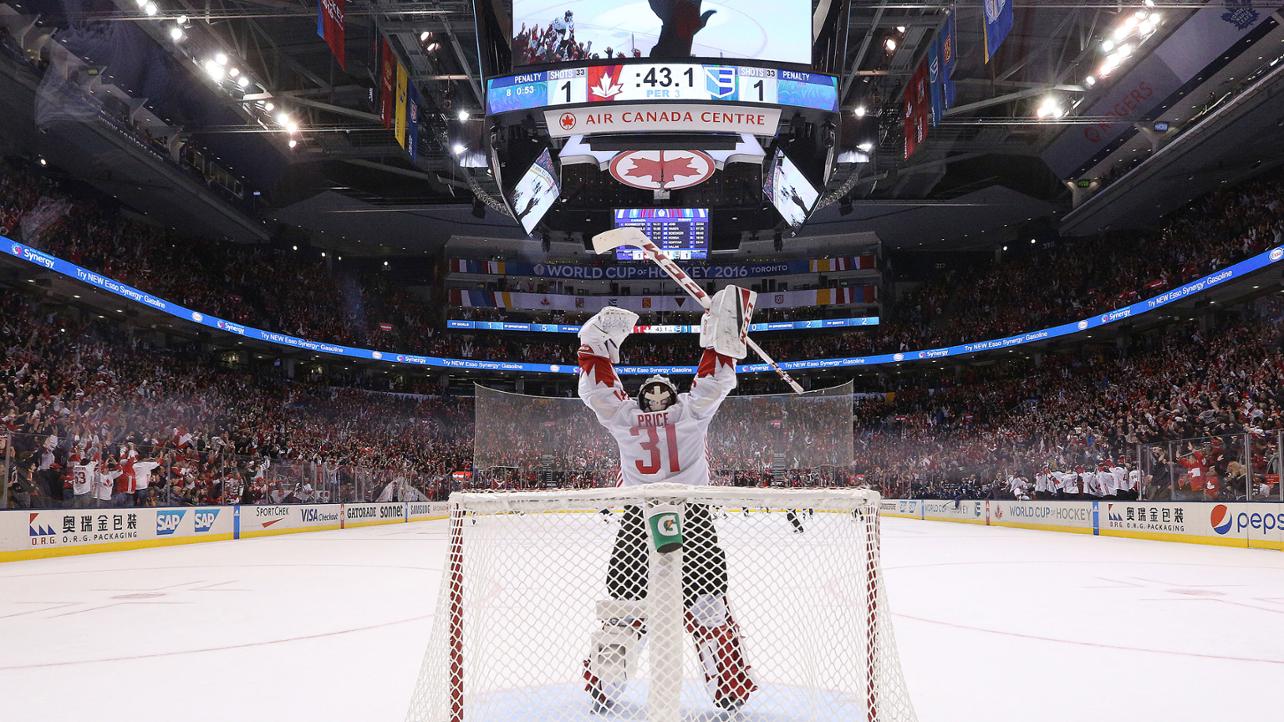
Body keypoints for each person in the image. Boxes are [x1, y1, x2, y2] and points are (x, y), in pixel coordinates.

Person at [576, 287, 758, 713]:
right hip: (693, 519)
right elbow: (715, 377)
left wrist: (598, 341)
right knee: (709, 607)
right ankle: (729, 684)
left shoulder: (625, 418)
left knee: (623, 607)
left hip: (638, 522)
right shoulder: (691, 413)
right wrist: (722, 335)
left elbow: (596, 387)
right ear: (674, 396)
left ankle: (604, 684)